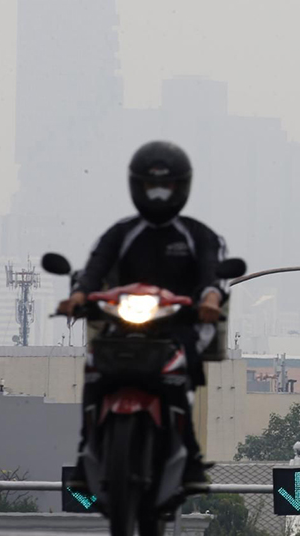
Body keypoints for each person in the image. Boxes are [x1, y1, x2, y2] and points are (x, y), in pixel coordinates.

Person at [57, 141, 228, 484]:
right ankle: (84, 452)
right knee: (93, 368)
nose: (160, 196)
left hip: (179, 322)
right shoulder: (120, 233)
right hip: (122, 322)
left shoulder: (198, 235)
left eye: (168, 187)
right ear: (137, 186)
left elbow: (213, 273)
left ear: (182, 187)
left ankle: (191, 458)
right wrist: (78, 295)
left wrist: (209, 299)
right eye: (152, 187)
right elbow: (94, 268)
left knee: (182, 370)